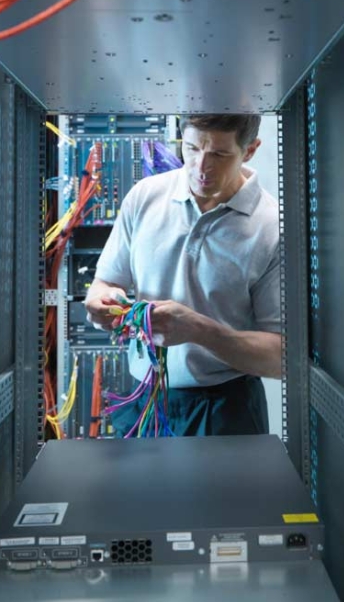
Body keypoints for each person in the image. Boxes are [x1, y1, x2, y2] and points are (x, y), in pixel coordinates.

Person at [84, 114, 281, 437]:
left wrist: (199, 330)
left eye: (219, 154)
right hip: (145, 399)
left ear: (250, 150)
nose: (201, 167)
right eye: (191, 148)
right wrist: (103, 301)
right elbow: (105, 282)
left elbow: (279, 357)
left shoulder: (271, 227)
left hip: (224, 408)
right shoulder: (144, 196)